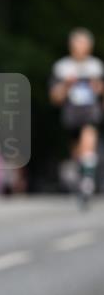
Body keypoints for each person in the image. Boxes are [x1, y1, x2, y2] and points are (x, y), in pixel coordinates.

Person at [50, 28, 104, 204]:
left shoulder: (96, 66)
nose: (80, 47)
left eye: (84, 44)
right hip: (72, 114)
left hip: (91, 112)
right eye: (77, 44)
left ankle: (87, 184)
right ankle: (83, 179)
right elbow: (55, 97)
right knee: (78, 153)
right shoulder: (62, 67)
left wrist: (98, 87)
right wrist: (66, 85)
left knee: (89, 143)